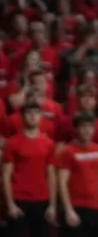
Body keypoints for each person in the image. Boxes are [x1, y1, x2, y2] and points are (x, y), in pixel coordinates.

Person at [2, 100, 57, 237]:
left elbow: (51, 174)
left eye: (36, 113)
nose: (33, 116)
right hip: (19, 199)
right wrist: (10, 204)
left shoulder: (48, 143)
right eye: (29, 113)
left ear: (41, 116)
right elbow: (6, 175)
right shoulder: (13, 143)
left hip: (41, 199)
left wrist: (52, 204)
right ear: (22, 117)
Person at [57, 112, 98, 237]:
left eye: (90, 127)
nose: (87, 130)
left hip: (96, 207)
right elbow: (62, 182)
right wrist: (68, 209)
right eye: (83, 127)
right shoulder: (67, 151)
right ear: (76, 129)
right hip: (76, 207)